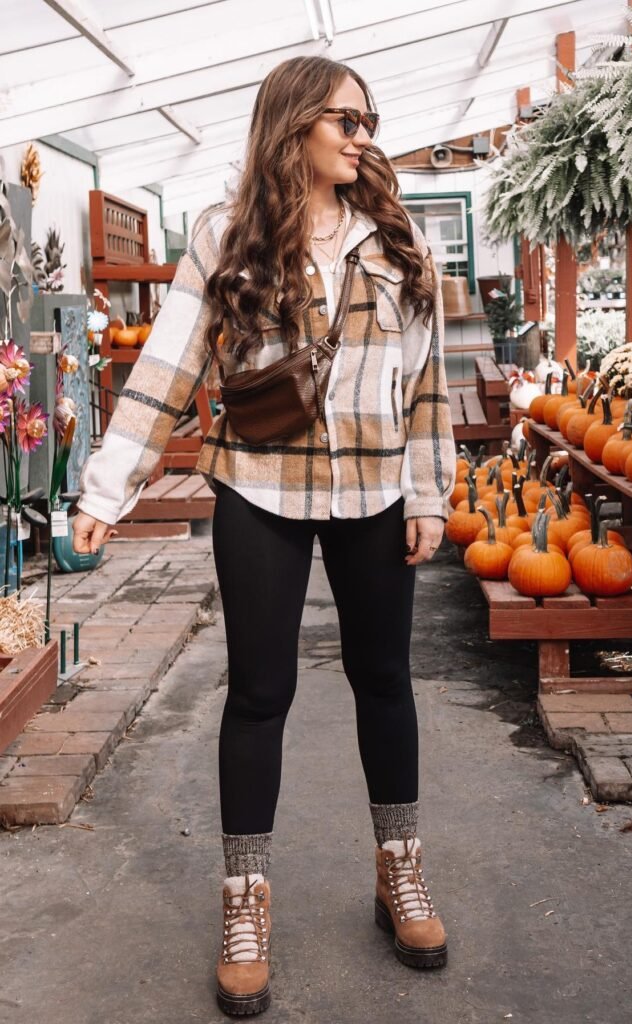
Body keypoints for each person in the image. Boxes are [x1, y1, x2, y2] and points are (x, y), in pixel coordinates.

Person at [73, 55, 455, 1017]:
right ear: (294, 124)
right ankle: (246, 903)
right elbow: (165, 369)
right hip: (257, 484)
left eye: (370, 119)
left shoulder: (395, 240)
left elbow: (426, 384)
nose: (365, 134)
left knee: (384, 682)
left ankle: (398, 873)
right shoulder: (226, 236)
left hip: (373, 488)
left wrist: (429, 495)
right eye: (348, 119)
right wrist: (105, 489)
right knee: (258, 693)